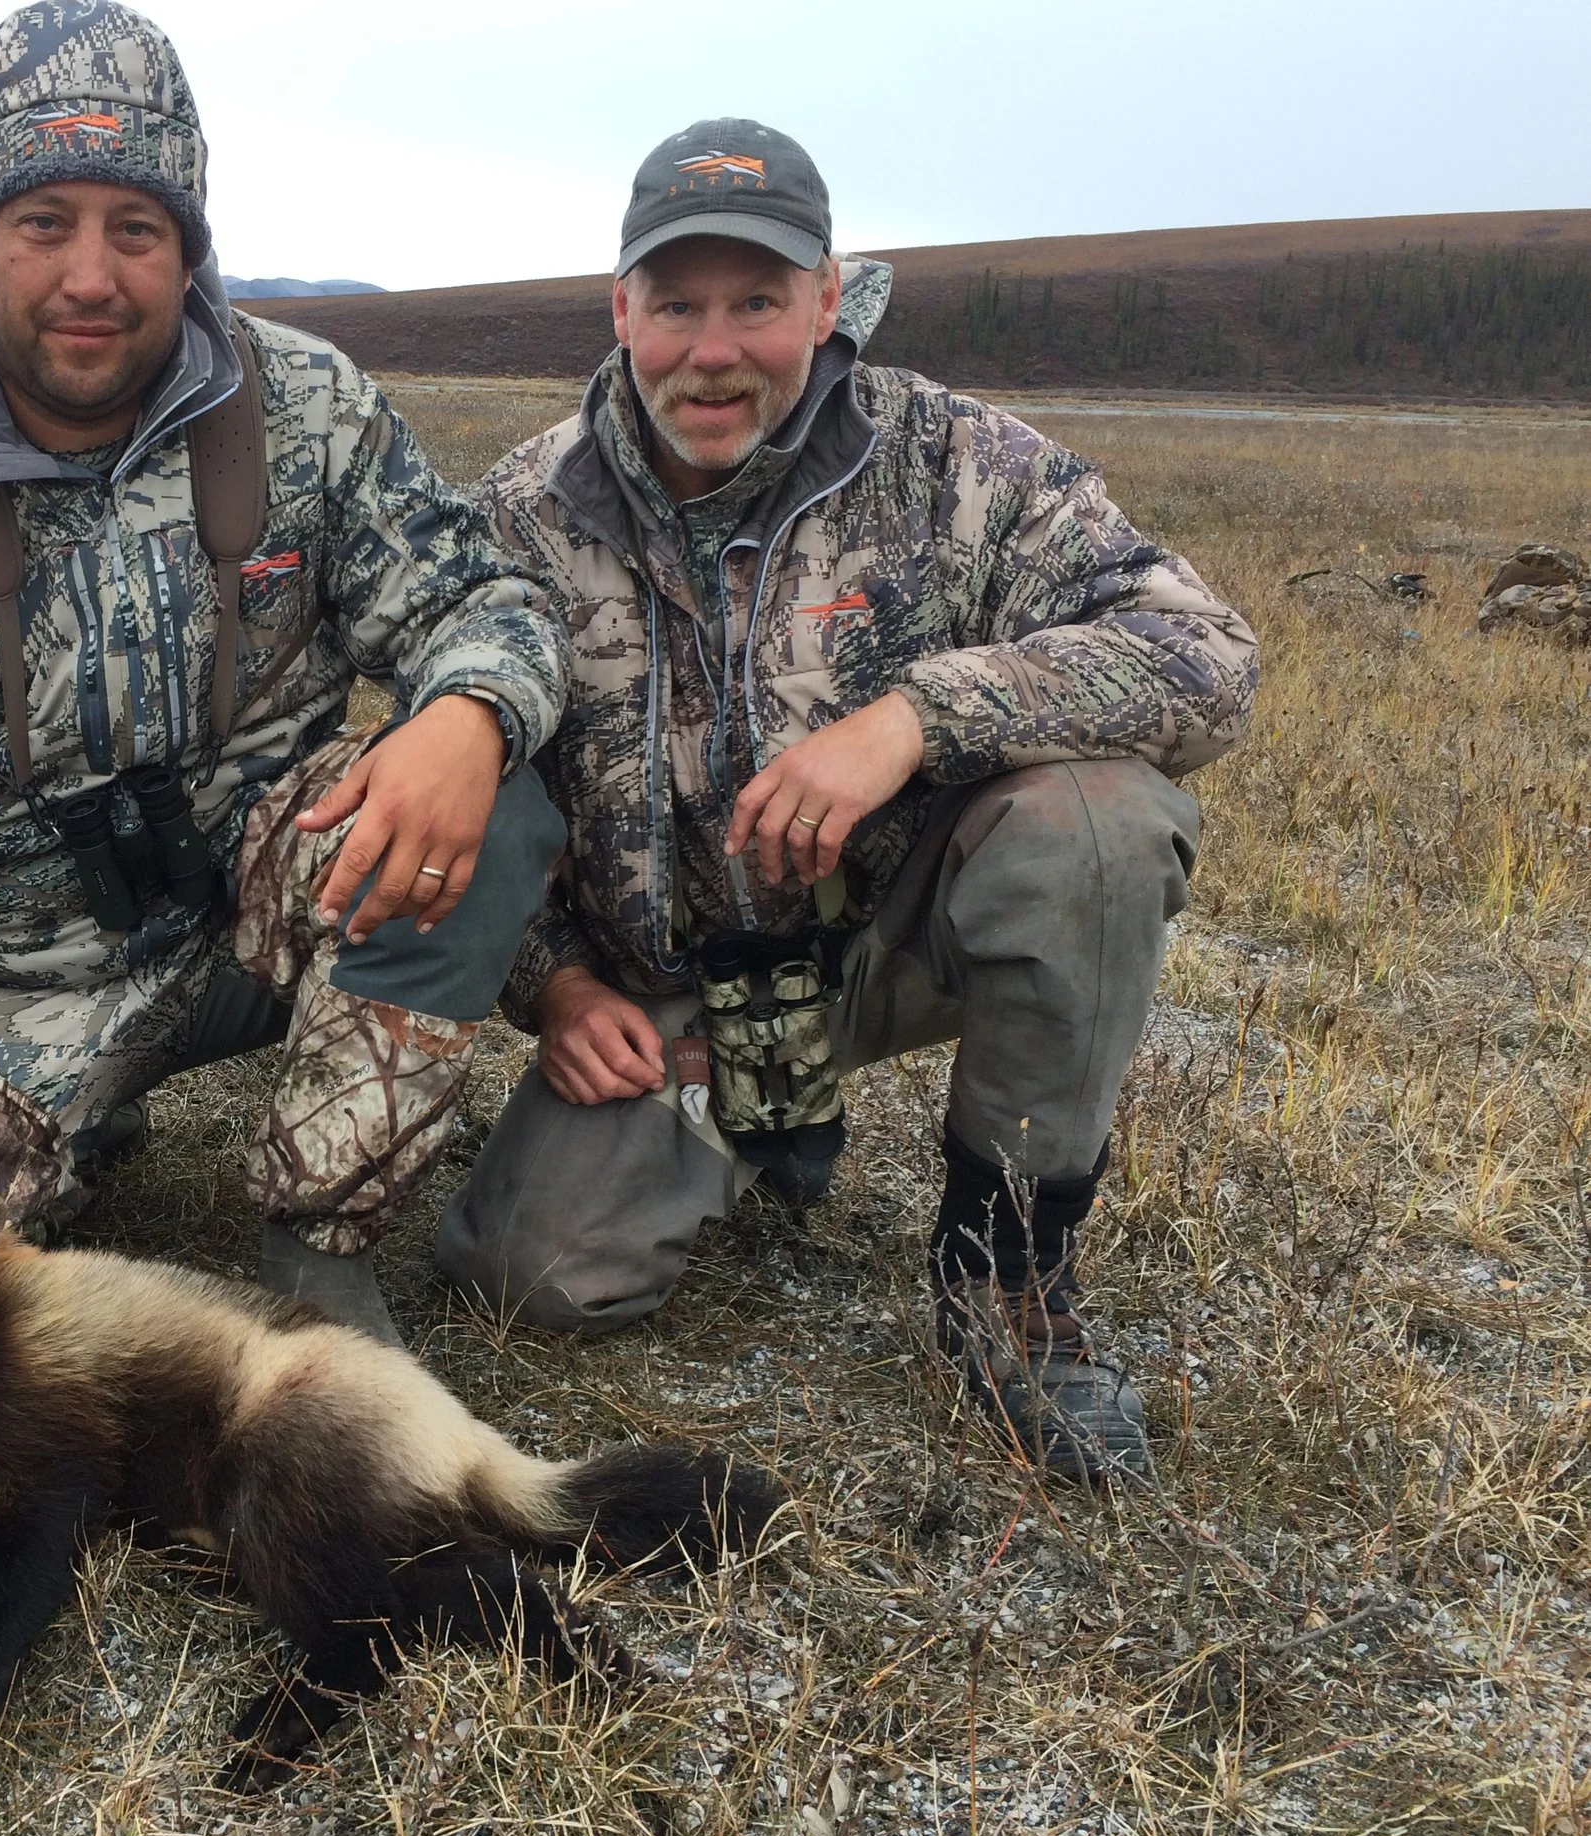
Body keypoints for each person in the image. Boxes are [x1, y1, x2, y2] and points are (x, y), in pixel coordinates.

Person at [0, 0, 568, 1380]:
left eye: (137, 227)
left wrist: (464, 717)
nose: (91, 274)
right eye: (43, 220)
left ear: (190, 248)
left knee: (499, 798)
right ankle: (67, 1133)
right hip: (1, 986)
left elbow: (486, 602)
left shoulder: (308, 409)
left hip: (257, 896)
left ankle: (320, 1246)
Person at [435, 119, 1258, 1485]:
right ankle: (738, 1124)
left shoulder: (954, 462)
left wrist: (914, 719)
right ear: (619, 306)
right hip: (674, 992)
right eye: (678, 303)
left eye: (757, 301)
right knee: (537, 1279)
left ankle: (1005, 1274)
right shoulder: (522, 514)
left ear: (828, 299)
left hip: (903, 939)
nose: (716, 348)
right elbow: (453, 777)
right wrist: (557, 985)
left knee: (1099, 823)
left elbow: (1207, 658)